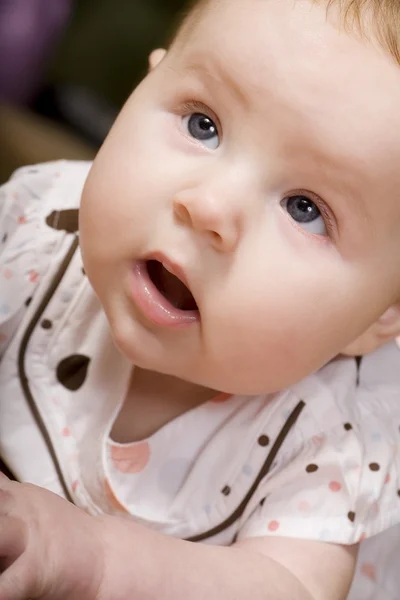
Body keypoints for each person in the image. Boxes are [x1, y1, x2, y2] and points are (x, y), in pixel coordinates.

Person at [1, 0, 400, 597]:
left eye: (306, 210)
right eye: (202, 124)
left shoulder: (329, 445)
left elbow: (287, 587)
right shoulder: (37, 225)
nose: (209, 207)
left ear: (380, 317)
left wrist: (96, 563)